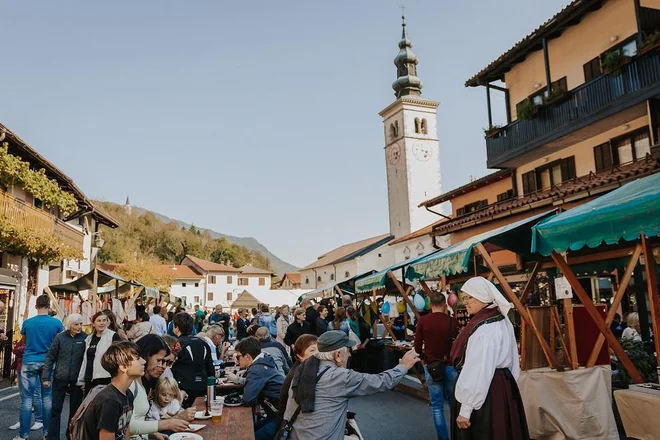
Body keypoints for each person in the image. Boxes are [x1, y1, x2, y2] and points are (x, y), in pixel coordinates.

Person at [282, 331, 420, 440]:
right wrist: (403, 366)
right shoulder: (339, 376)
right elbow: (381, 381)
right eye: (348, 351)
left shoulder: (304, 368)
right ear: (337, 355)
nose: (349, 355)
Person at [450, 277, 529, 439]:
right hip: (502, 385)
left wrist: (466, 409)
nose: (465, 302)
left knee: (487, 432)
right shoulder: (501, 320)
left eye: (469, 297)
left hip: (486, 392)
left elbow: (479, 370)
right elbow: (513, 359)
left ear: (483, 296)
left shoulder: (484, 329)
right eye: (464, 297)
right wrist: (510, 387)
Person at [14, 294, 64, 440]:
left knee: (27, 399)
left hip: (29, 361)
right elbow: (59, 343)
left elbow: (24, 341)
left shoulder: (28, 323)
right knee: (47, 398)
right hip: (48, 362)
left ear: (36, 306)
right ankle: (47, 434)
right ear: (49, 307)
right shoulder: (56, 323)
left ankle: (23, 435)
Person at [77, 341, 145, 440]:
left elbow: (125, 428)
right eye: (138, 358)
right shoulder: (110, 401)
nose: (143, 361)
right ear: (123, 366)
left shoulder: (128, 393)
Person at [413, 292, 458, 440]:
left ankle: (443, 438)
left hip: (432, 366)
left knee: (437, 406)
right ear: (445, 304)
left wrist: (423, 359)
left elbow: (417, 345)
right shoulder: (452, 321)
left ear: (430, 305)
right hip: (450, 365)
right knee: (454, 404)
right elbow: (458, 343)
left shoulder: (423, 321)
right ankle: (458, 435)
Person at [129, 334, 191, 438]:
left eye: (167, 363)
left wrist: (153, 433)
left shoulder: (152, 381)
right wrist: (167, 423)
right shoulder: (132, 383)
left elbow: (141, 420)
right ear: (145, 356)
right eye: (159, 361)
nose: (163, 367)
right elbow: (126, 426)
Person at [42, 313, 87, 440]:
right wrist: (45, 377)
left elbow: (87, 361)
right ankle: (52, 437)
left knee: (75, 411)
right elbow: (50, 357)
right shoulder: (60, 337)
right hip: (60, 378)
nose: (79, 327)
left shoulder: (85, 338)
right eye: (76, 324)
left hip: (77, 381)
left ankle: (71, 436)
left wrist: (85, 380)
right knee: (56, 409)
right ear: (69, 325)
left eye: (80, 324)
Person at [235, 336, 284, 440]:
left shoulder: (256, 370)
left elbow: (248, 400)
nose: (237, 360)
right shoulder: (264, 360)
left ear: (247, 356)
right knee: (253, 428)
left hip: (282, 417)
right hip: (278, 413)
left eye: (238, 357)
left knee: (249, 436)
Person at [171, 312, 214, 408]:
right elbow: (210, 368)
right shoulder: (203, 343)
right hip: (203, 386)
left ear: (176, 328)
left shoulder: (176, 344)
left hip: (183, 388)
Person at [276, 334, 318, 429]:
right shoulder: (301, 375)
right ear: (299, 355)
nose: (317, 353)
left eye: (319, 349)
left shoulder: (301, 368)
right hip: (291, 425)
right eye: (312, 350)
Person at [78, 311, 121, 396]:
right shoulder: (89, 339)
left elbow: (118, 357)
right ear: (93, 324)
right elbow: (85, 360)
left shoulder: (113, 336)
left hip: (106, 378)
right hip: (89, 378)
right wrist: (81, 380)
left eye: (104, 320)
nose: (102, 323)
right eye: (99, 320)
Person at [9, 338, 44, 432]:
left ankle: (39, 420)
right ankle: (22, 421)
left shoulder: (36, 337)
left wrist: (21, 349)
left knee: (36, 395)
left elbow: (24, 349)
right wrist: (22, 349)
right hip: (21, 368)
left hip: (33, 368)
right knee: (23, 396)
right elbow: (15, 350)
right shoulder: (24, 337)